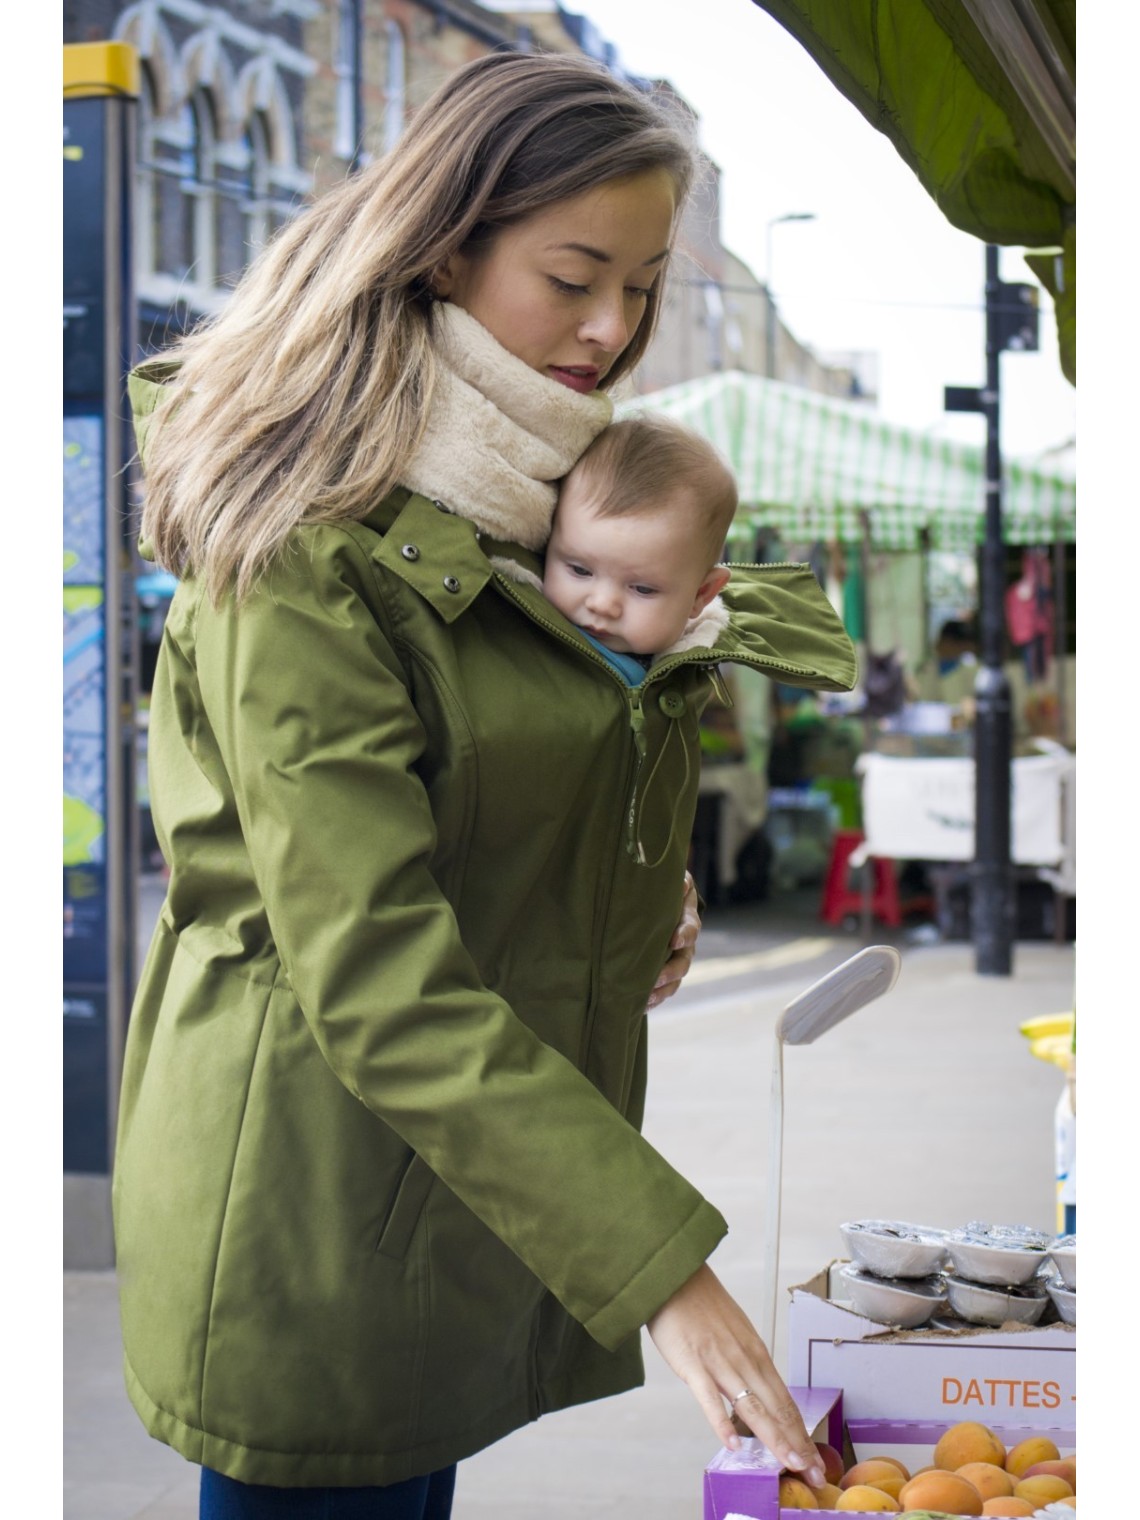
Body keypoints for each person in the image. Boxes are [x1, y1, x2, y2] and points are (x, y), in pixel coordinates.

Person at [114, 52, 857, 1519]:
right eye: (576, 272)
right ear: (447, 240)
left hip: (445, 1192)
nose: (610, 328)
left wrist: (639, 885)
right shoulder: (313, 541)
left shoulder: (515, 495)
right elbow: (375, 966)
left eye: (642, 285)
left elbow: (493, 769)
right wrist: (671, 1277)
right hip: (316, 1203)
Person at [539, 414, 735, 684]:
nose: (602, 604)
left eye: (643, 589)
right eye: (580, 570)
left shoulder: (692, 667)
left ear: (701, 594)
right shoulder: (523, 648)